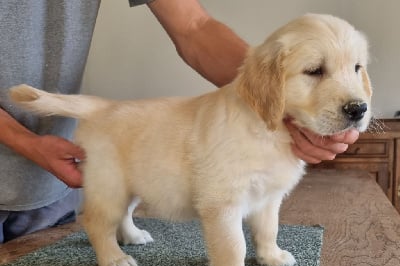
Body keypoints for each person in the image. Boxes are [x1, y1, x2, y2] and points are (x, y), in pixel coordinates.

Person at [0, 0, 358, 243]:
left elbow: (194, 24)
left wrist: (266, 93)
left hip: (53, 193)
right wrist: (23, 141)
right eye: (314, 70)